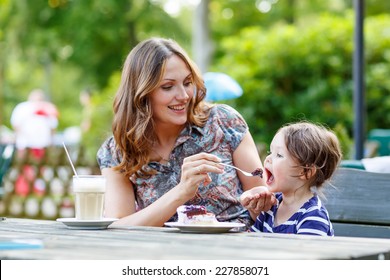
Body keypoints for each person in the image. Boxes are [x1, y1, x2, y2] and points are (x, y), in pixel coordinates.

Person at [97, 37, 276, 228]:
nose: (183, 96)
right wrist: (182, 191)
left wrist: (261, 203)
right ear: (141, 93)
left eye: (188, 82)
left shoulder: (223, 121)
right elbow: (118, 227)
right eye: (167, 86)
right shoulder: (117, 150)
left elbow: (264, 203)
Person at [240, 121, 342, 236]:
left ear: (306, 171)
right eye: (270, 152)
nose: (268, 158)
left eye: (279, 155)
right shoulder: (270, 207)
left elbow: (308, 253)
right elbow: (252, 243)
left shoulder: (313, 217)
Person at [10, 88, 59, 153]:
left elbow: (53, 127)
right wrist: (23, 137)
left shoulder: (48, 109)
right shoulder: (22, 108)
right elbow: (16, 124)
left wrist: (52, 142)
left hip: (43, 144)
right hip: (25, 144)